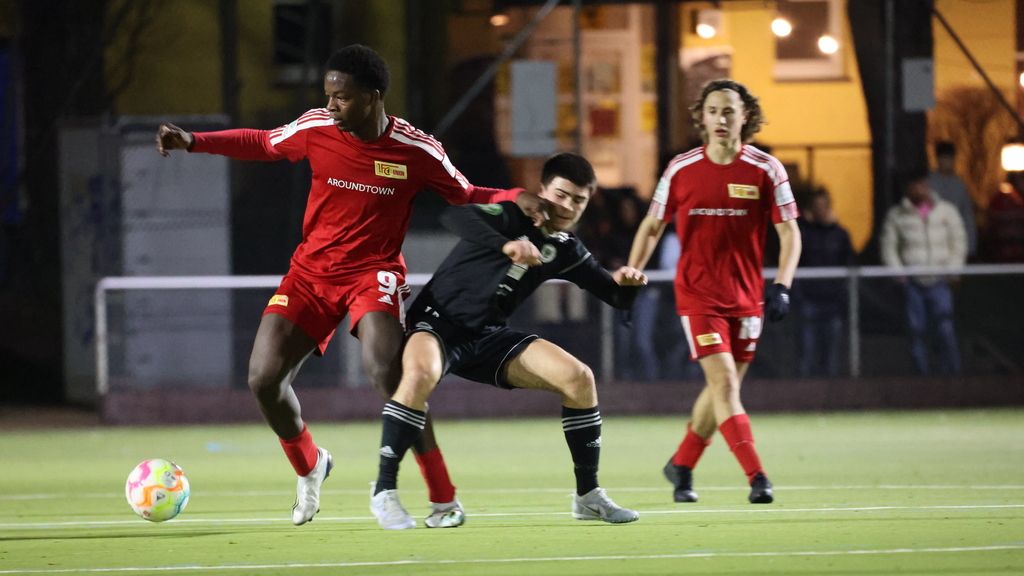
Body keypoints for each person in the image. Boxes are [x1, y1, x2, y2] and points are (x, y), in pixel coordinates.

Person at [154, 44, 543, 527]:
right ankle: (312, 466)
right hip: (310, 273)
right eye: (328, 95)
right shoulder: (317, 127)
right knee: (263, 380)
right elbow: (262, 142)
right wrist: (194, 141)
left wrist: (514, 196)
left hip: (372, 273)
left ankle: (443, 496)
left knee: (387, 373)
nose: (332, 105)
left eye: (342, 97)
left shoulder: (416, 151)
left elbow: (465, 193)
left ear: (374, 97)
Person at [368, 153, 645, 529]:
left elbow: (613, 296)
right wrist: (506, 245)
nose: (568, 207)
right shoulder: (511, 215)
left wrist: (626, 286)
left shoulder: (565, 247)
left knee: (580, 378)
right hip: (438, 324)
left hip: (489, 337)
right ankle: (384, 491)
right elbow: (454, 215)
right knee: (418, 377)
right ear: (543, 190)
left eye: (578, 200)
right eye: (561, 195)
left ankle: (588, 496)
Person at [626, 79, 801, 504]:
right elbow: (652, 226)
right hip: (698, 296)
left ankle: (682, 464)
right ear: (701, 118)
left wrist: (781, 286)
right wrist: (632, 273)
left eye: (729, 111)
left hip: (746, 299)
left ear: (745, 117)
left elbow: (789, 232)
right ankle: (757, 476)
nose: (721, 119)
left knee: (723, 392)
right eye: (713, 111)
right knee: (724, 385)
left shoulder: (766, 169)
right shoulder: (681, 169)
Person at [881, 167, 967, 376]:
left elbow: (958, 242)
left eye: (923, 184)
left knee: (945, 328)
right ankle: (922, 376)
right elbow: (889, 246)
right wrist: (898, 272)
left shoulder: (946, 211)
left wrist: (953, 269)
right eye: (915, 186)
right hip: (912, 283)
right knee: (916, 330)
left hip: (940, 280)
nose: (920, 189)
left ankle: (953, 373)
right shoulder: (897, 215)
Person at [795, 187, 854, 377]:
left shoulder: (839, 234)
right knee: (807, 349)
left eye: (823, 206)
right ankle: (804, 392)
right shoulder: (803, 233)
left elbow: (850, 262)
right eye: (816, 206)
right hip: (809, 299)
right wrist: (804, 223)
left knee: (831, 351)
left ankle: (831, 393)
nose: (820, 210)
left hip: (832, 300)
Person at [928, 141, 977, 258]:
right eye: (944, 158)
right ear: (938, 159)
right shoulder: (929, 184)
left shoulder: (959, 185)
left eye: (950, 158)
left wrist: (971, 245)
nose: (947, 162)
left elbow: (967, 216)